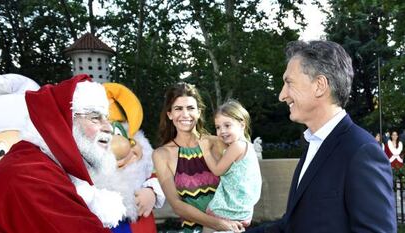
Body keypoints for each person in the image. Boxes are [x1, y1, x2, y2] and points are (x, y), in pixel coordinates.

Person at [247, 40, 395, 233]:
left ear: (319, 85)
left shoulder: (361, 152)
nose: (282, 95)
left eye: (289, 83)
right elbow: (291, 225)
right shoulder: (314, 145)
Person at [0, 74, 126, 232]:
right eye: (95, 118)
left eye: (106, 118)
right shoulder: (30, 174)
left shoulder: (40, 162)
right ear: (64, 121)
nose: (109, 127)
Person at [152, 82, 244, 233]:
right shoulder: (161, 155)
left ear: (199, 112)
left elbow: (241, 182)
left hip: (231, 228)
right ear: (169, 114)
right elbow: (177, 205)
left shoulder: (218, 143)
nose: (185, 114)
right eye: (178, 109)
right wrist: (218, 224)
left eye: (190, 108)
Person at [94, 82, 165, 233]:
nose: (118, 146)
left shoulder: (141, 165)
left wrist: (152, 191)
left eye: (119, 134)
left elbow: (158, 179)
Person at [198, 99, 262, 233]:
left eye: (227, 125)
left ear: (242, 125)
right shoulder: (247, 146)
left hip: (228, 211)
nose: (222, 131)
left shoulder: (237, 146)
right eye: (218, 127)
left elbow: (217, 170)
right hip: (241, 212)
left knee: (208, 228)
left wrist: (205, 150)